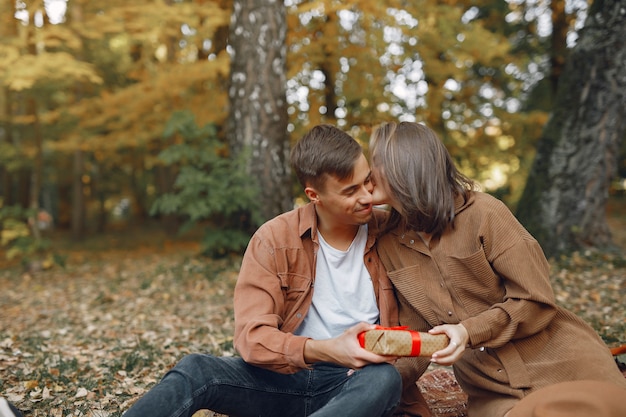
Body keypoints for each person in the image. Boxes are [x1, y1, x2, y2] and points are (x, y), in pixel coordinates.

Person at [122, 124, 430, 417]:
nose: (366, 196)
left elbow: (423, 324)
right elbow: (252, 339)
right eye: (350, 191)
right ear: (314, 195)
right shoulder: (273, 239)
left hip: (357, 382)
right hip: (285, 380)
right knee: (196, 369)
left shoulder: (393, 232)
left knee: (385, 379)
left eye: (368, 181)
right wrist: (328, 350)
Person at [367, 121, 626, 417]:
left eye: (375, 162)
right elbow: (418, 332)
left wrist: (468, 331)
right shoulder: (390, 242)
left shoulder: (485, 214)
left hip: (561, 363)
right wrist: (372, 384)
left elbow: (535, 300)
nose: (366, 172)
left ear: (403, 168)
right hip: (492, 388)